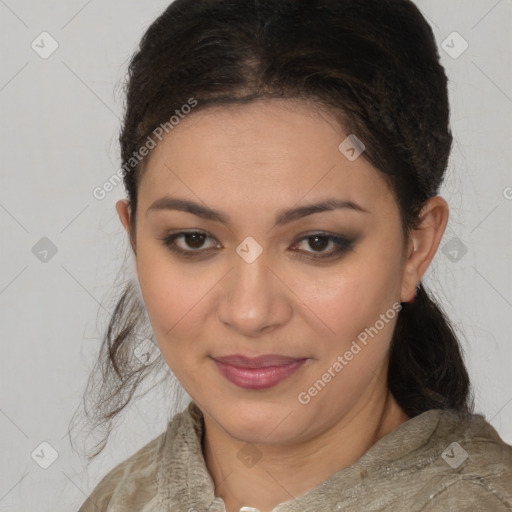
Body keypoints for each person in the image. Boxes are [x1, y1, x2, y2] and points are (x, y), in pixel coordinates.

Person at [75, 0, 512, 510]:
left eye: (318, 242)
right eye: (194, 239)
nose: (250, 312)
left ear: (415, 248)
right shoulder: (120, 499)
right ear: (134, 239)